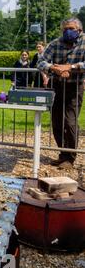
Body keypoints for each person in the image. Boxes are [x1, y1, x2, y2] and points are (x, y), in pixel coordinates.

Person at [38, 17, 85, 170]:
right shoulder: (55, 43)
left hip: (74, 87)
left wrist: (70, 67)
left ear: (79, 30)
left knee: (70, 122)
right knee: (57, 122)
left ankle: (70, 157)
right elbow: (41, 61)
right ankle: (63, 154)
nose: (67, 32)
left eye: (71, 28)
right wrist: (53, 68)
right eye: (65, 29)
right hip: (56, 86)